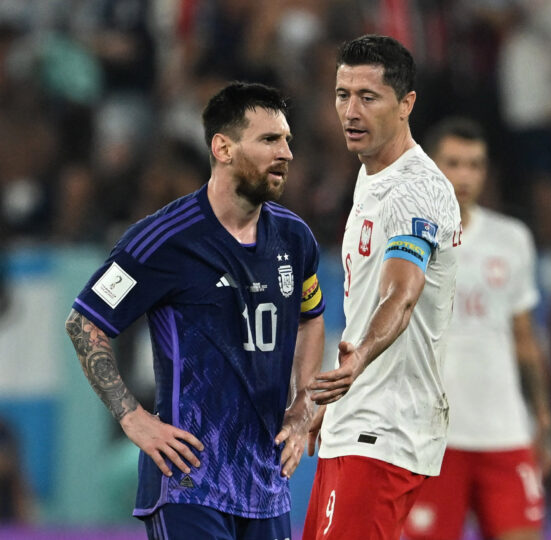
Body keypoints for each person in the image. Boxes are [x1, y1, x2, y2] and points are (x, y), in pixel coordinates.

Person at [65, 82, 326, 540]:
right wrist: (133, 418)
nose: (285, 152)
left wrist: (304, 402)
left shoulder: (295, 238)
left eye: (287, 140)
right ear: (223, 148)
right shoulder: (162, 240)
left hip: (266, 484)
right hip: (189, 481)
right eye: (269, 140)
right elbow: (84, 321)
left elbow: (311, 317)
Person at [302, 35, 462, 540]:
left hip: (385, 427)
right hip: (358, 417)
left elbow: (402, 293)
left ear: (406, 104)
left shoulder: (415, 189)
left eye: (368, 97)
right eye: (342, 94)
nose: (351, 110)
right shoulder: (373, 175)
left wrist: (358, 359)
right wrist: (336, 397)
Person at [403, 117, 551, 540]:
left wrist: (543, 415)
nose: (465, 176)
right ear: (431, 167)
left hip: (505, 431)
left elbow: (523, 337)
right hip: (432, 438)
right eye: (454, 163)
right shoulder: (403, 238)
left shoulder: (512, 239)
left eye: (475, 165)